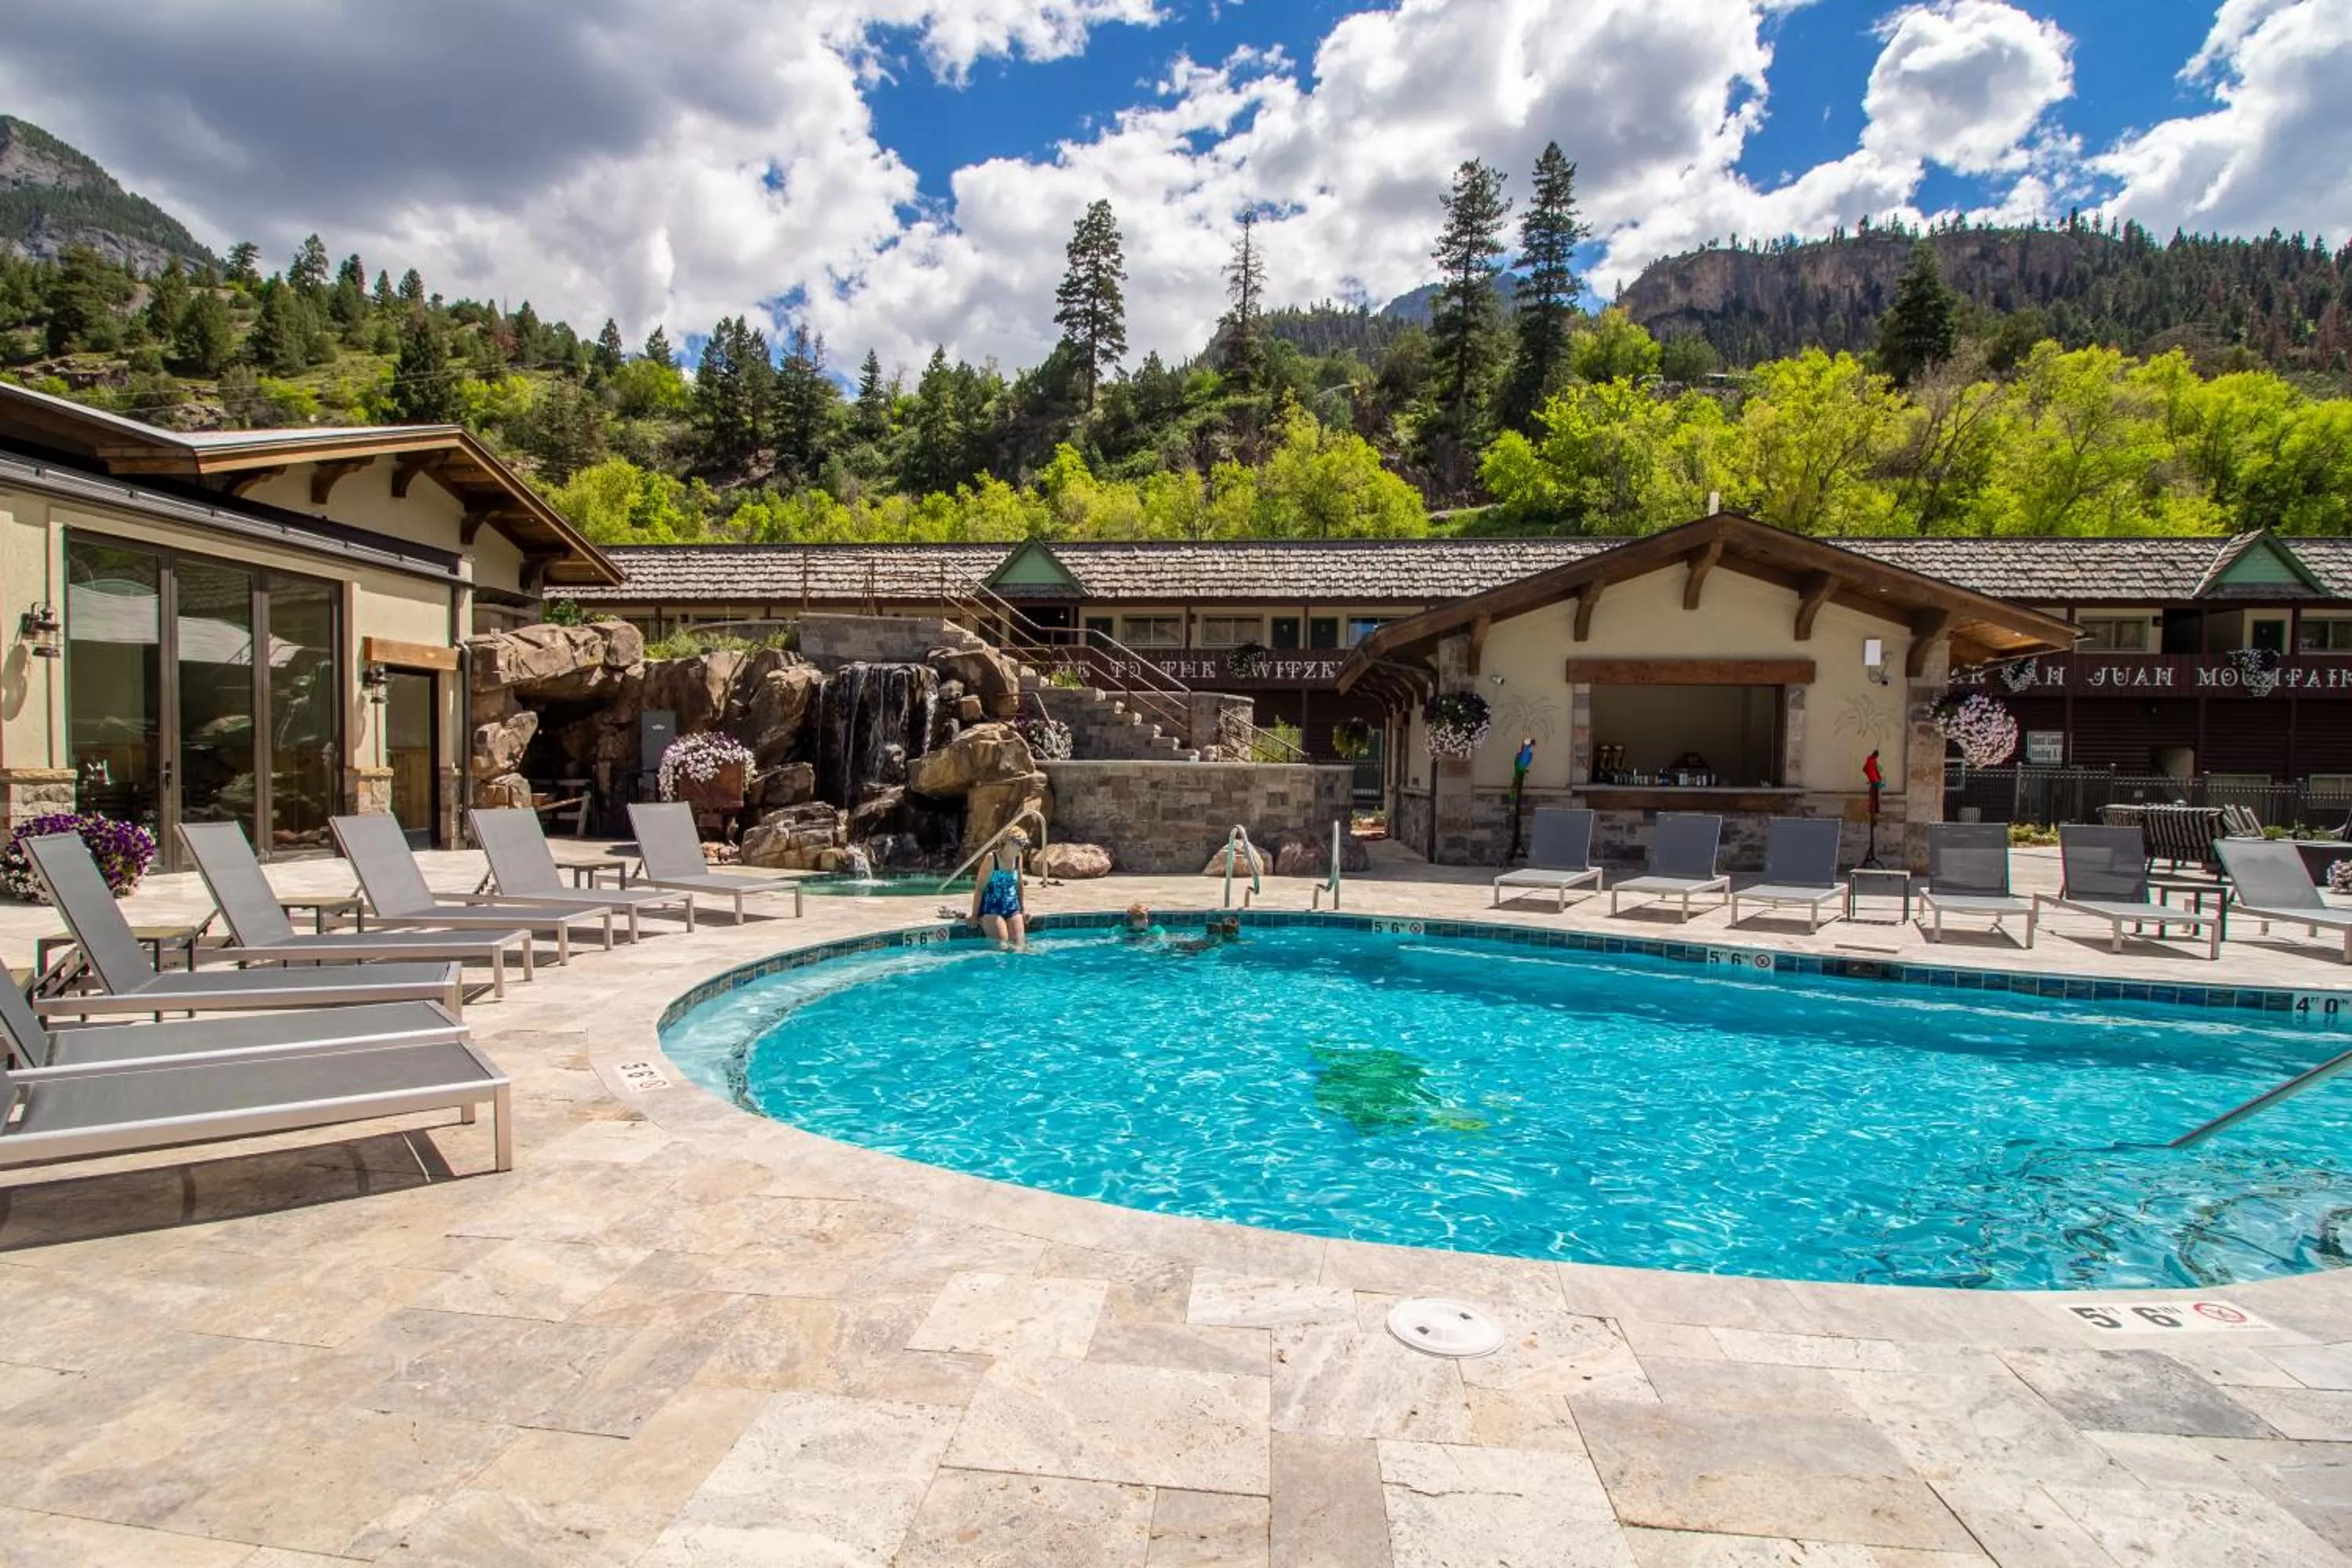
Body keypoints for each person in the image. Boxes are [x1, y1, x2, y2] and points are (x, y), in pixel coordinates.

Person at [971, 829, 1029, 950]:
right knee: (1002, 946)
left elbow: (1019, 885)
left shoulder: (1018, 857)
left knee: (1021, 947)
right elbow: (980, 887)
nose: (1021, 847)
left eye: (1024, 843)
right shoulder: (992, 859)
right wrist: (974, 915)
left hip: (1012, 906)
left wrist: (1022, 909)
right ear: (1008, 841)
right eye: (1019, 843)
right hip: (991, 907)